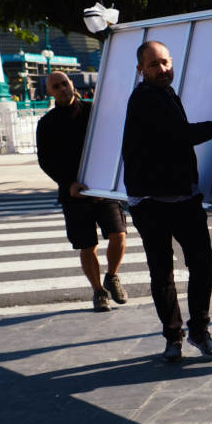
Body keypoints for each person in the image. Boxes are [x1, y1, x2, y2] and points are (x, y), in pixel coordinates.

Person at [122, 40, 212, 362]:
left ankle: (198, 331)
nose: (163, 69)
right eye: (155, 65)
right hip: (150, 201)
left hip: (183, 196)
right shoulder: (145, 97)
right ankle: (175, 336)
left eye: (166, 62)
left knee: (201, 265)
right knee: (163, 272)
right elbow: (178, 134)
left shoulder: (166, 93)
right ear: (140, 70)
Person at [36, 70, 129, 312]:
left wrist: (109, 180)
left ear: (71, 84)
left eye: (64, 83)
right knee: (88, 245)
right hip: (74, 193)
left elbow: (112, 143)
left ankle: (112, 276)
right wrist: (68, 184)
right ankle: (99, 291)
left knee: (118, 235)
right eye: (56, 87)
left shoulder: (94, 112)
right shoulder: (46, 123)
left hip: (103, 187)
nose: (62, 89)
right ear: (49, 92)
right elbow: (46, 161)